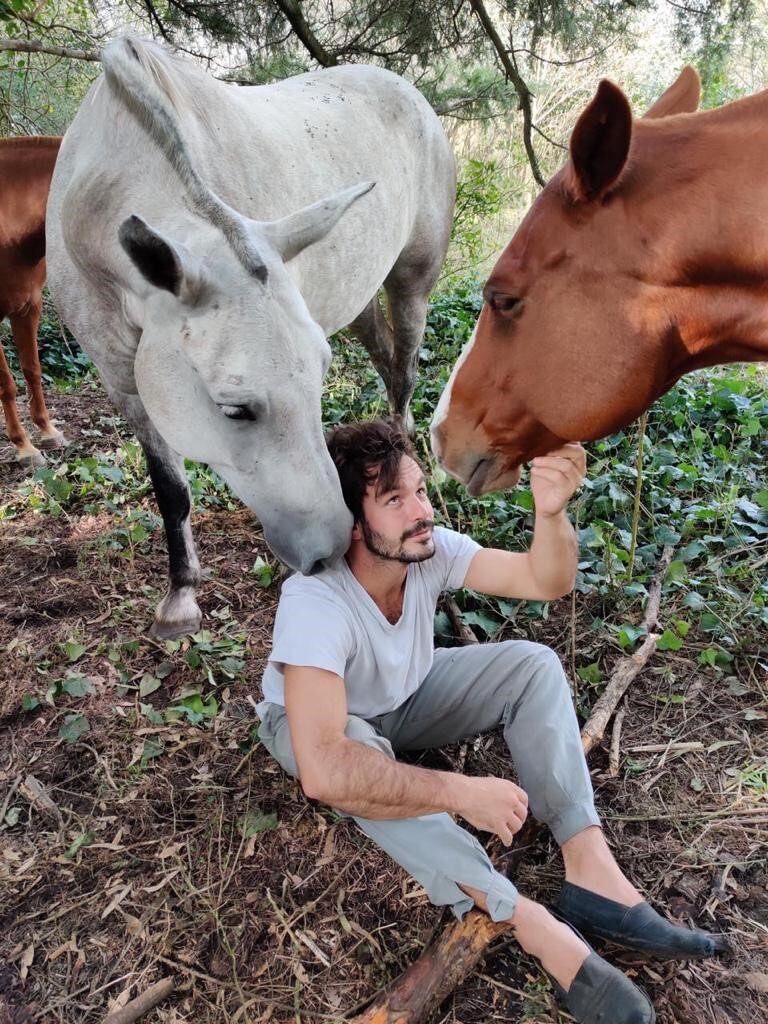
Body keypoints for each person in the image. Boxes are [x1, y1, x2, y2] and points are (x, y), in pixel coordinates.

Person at [257, 418, 721, 1024]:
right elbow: (323, 769)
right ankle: (529, 922)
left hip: (406, 695)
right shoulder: (317, 600)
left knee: (531, 665)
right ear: (350, 521)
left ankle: (591, 871)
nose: (421, 510)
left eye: (420, 491)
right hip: (310, 722)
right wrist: (458, 791)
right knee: (358, 758)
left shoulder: (426, 552)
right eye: (394, 499)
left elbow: (544, 580)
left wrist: (551, 515)